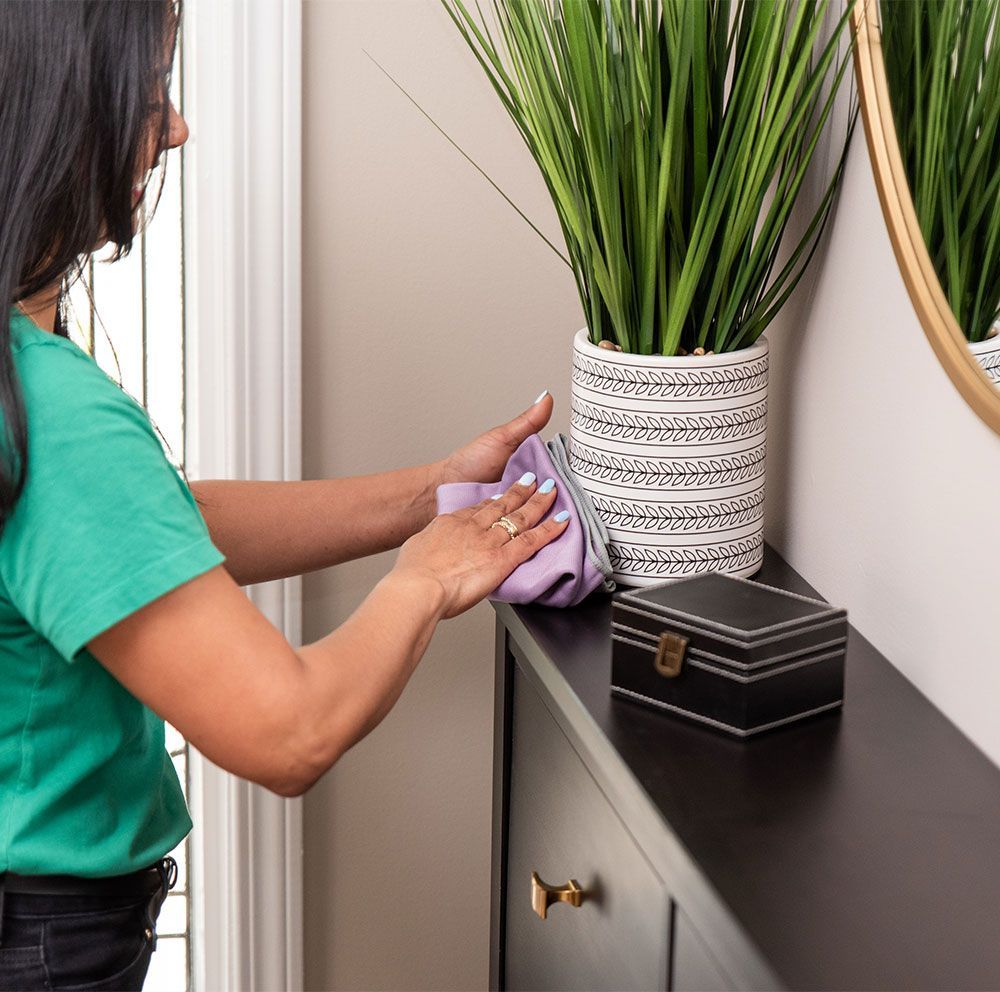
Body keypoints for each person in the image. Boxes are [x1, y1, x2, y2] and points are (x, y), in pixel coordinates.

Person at [0, 2, 570, 988]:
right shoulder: (50, 409)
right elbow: (288, 729)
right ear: (60, 113)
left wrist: (434, 491)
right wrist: (425, 577)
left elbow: (137, 533)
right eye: (148, 99)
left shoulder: (25, 385)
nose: (175, 128)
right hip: (44, 939)